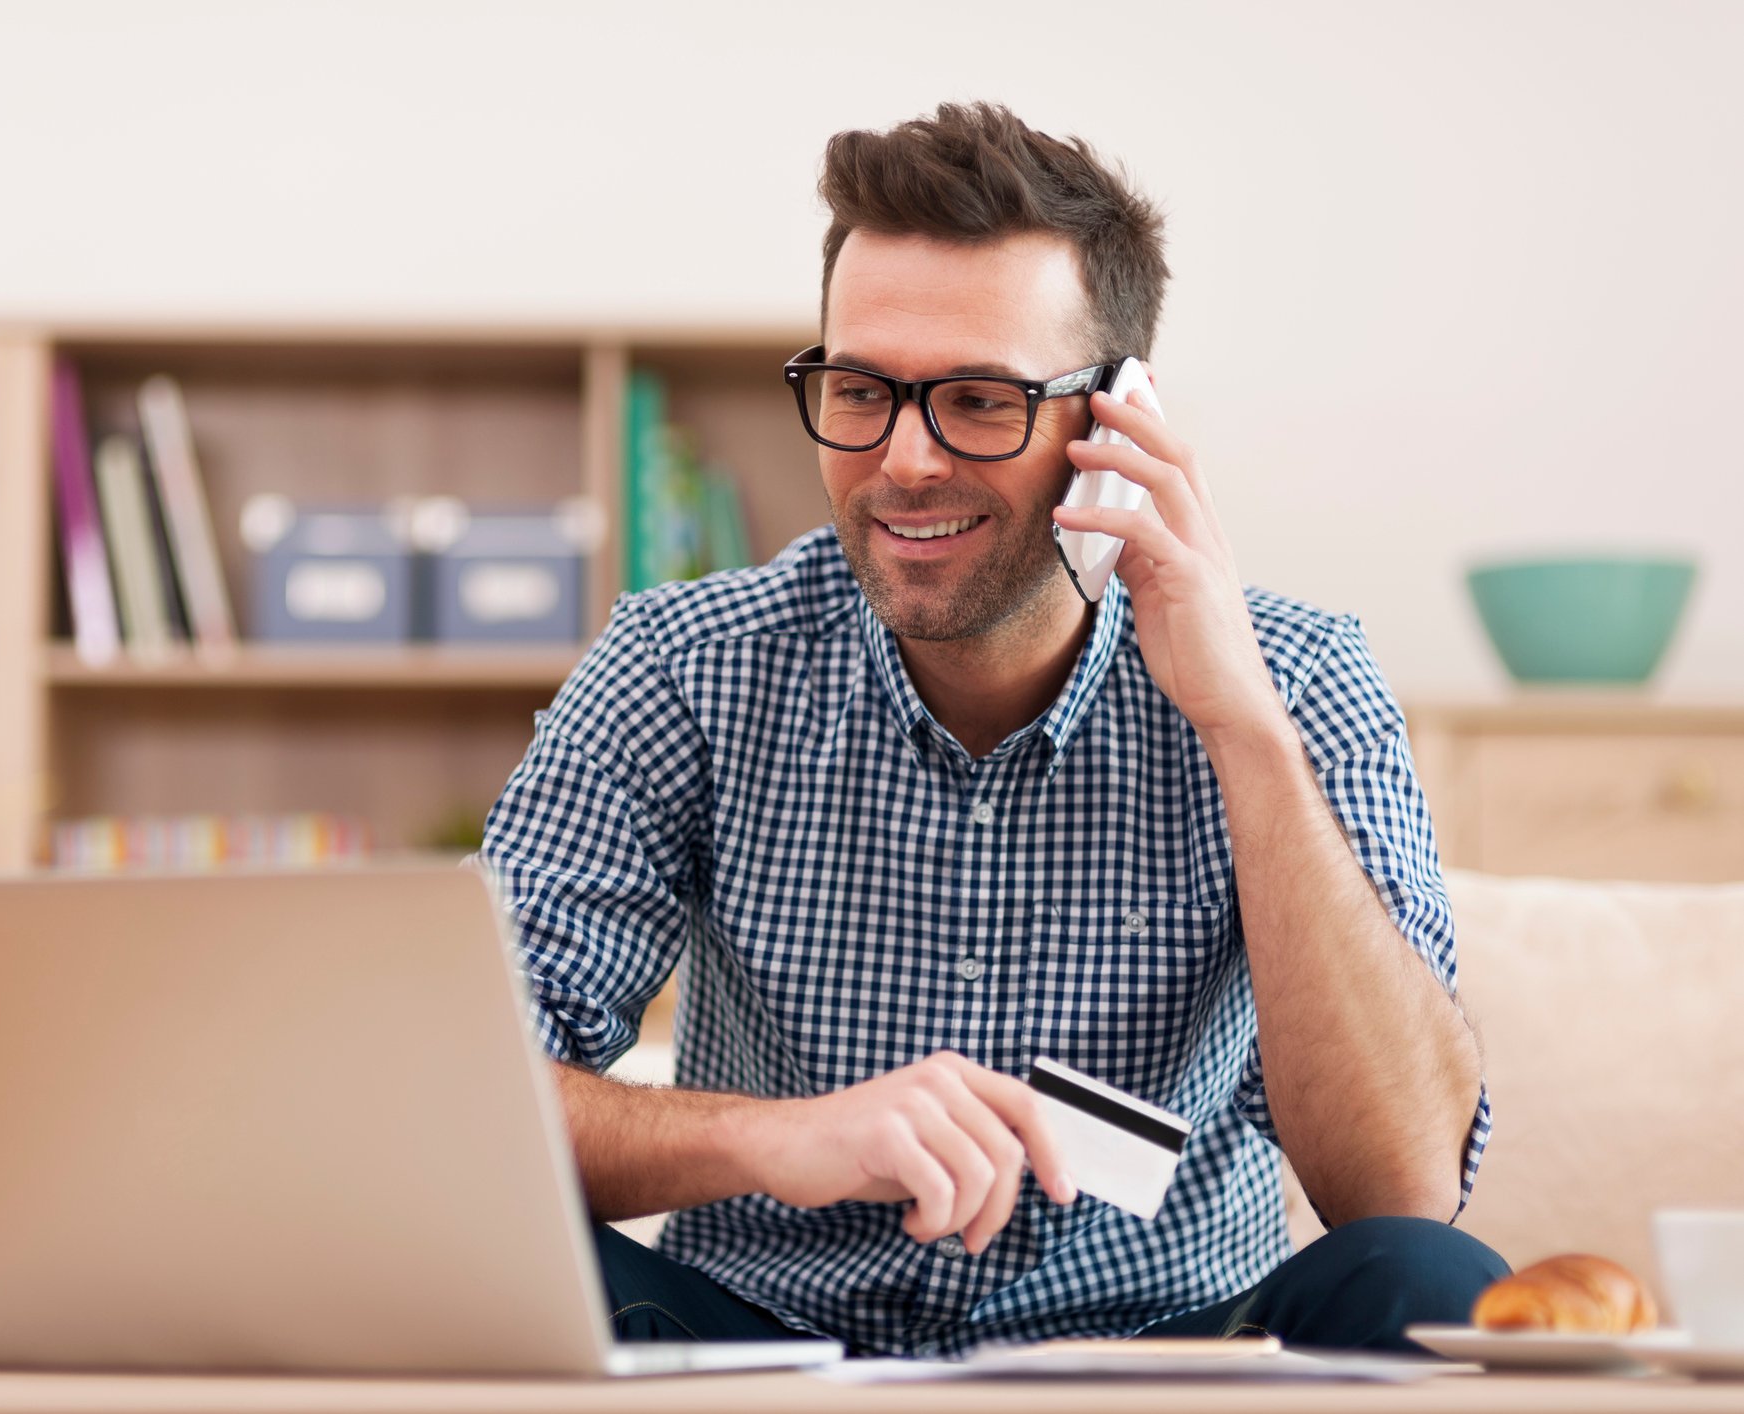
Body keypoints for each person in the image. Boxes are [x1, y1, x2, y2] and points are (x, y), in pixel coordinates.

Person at [479, 100, 1505, 1359]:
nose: (902, 461)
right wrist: (771, 1138)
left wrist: (1242, 726)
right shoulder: (682, 669)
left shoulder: (1295, 676)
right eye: (859, 390)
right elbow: (467, 1108)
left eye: (976, 400)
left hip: (1164, 1351)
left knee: (1426, 1278)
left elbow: (1401, 1188)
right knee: (451, 1245)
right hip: (763, 1345)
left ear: (1114, 424)